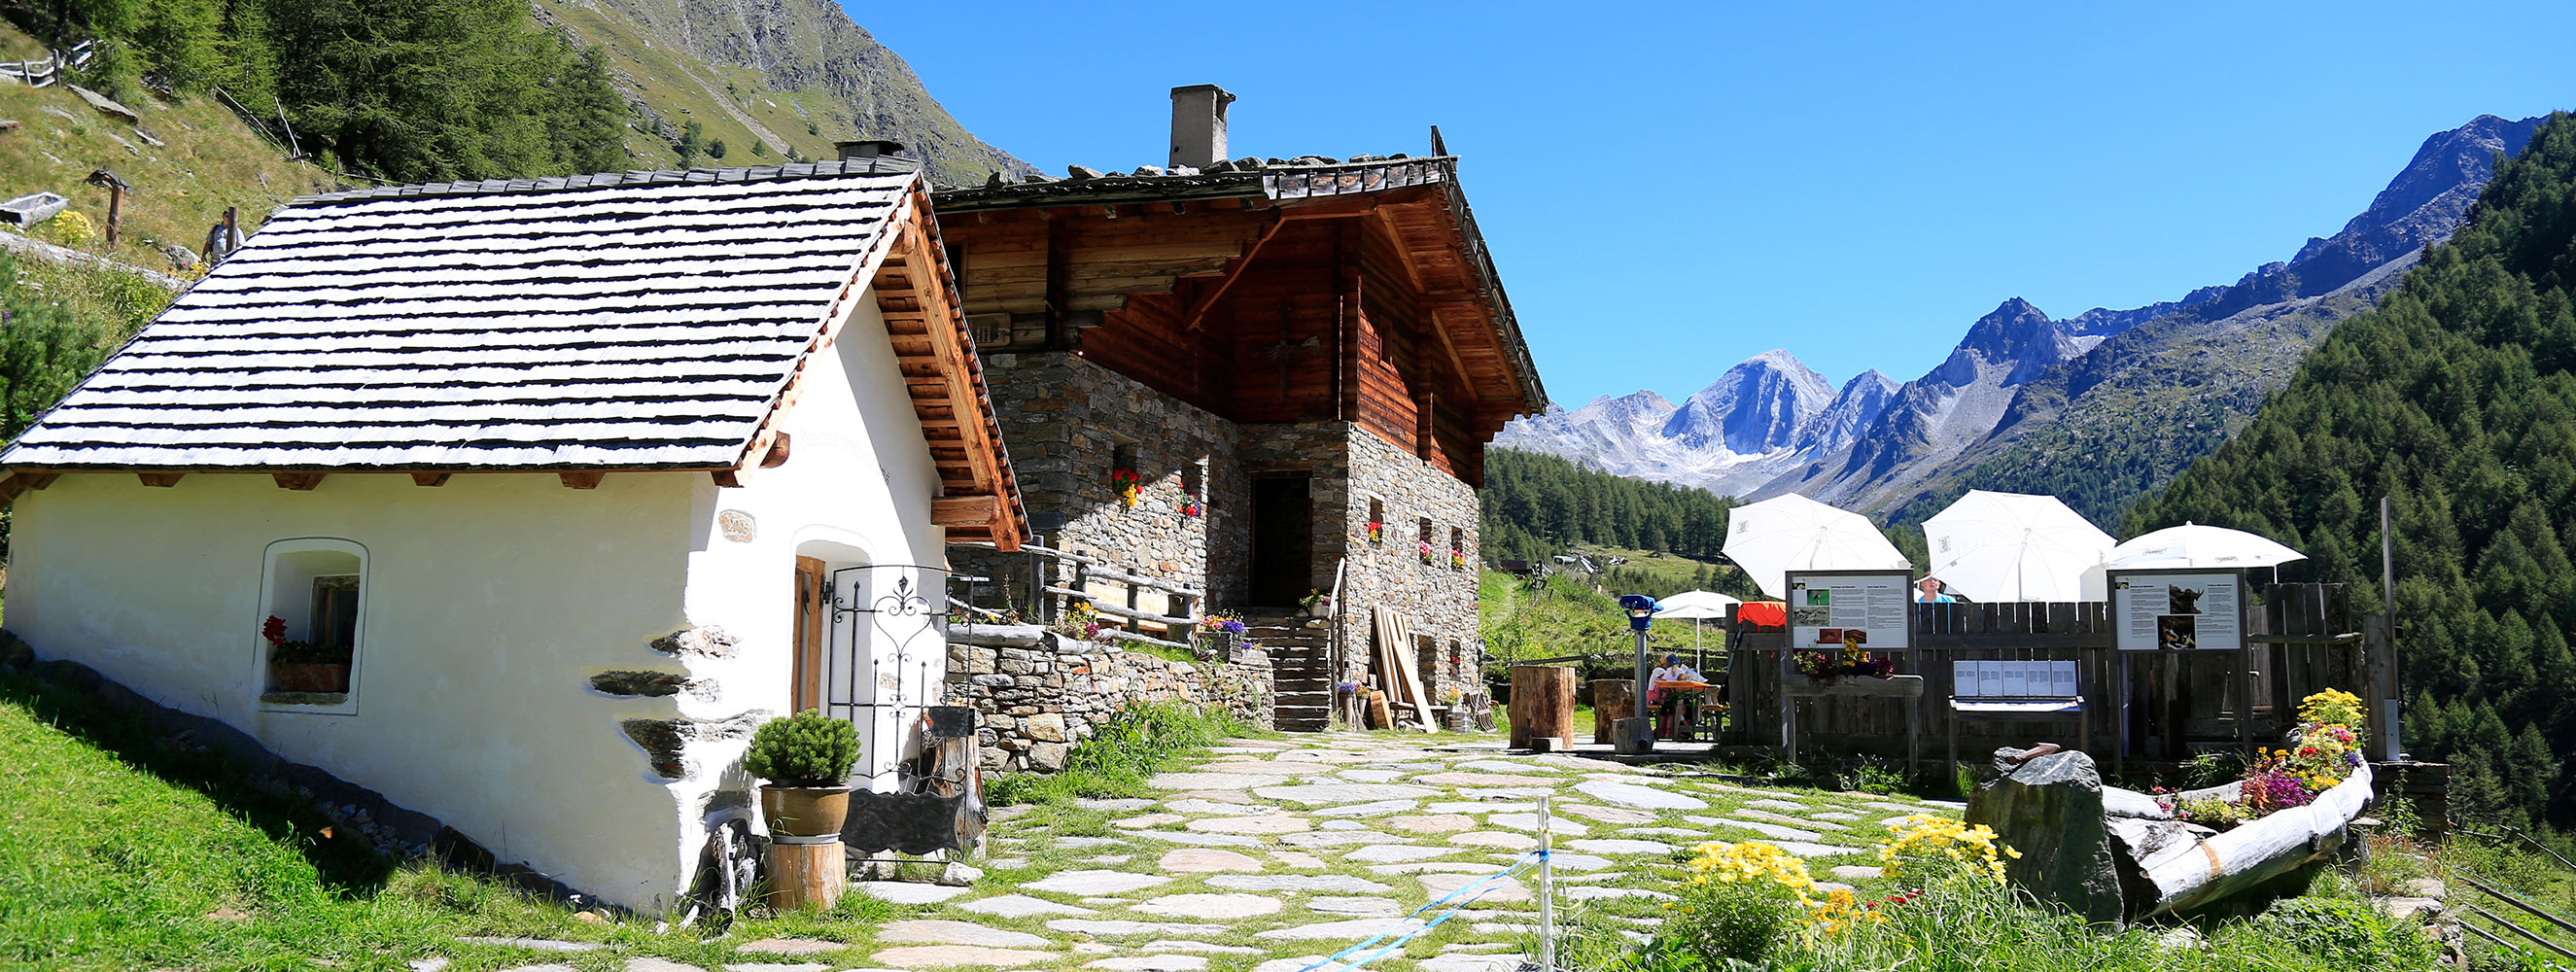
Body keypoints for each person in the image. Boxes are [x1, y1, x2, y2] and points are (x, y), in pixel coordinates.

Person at [1649, 653, 1705, 739]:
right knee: (1675, 709)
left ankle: (1661, 731)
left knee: (1665, 710)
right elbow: (1680, 678)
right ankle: (1670, 731)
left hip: (1661, 696)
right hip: (1663, 696)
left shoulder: (1667, 671)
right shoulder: (1673, 670)